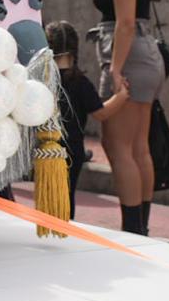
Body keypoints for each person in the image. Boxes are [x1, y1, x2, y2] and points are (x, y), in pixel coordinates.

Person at [89, 0, 166, 235]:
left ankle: (133, 229)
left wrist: (116, 71)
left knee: (117, 146)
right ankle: (140, 227)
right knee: (138, 147)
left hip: (128, 57)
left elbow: (124, 24)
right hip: (145, 56)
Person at [46, 20, 129, 220]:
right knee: (67, 194)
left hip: (46, 147)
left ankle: (46, 228)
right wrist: (121, 96)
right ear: (75, 48)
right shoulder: (79, 81)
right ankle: (64, 231)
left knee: (48, 194)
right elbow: (100, 113)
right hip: (72, 150)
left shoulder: (44, 79)